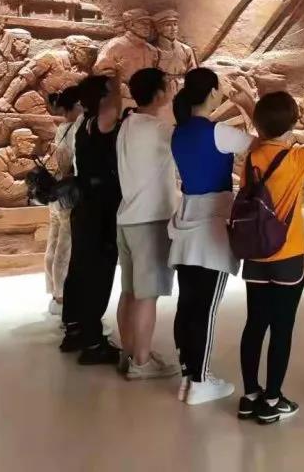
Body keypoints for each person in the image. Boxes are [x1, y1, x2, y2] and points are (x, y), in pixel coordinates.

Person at [237, 92, 304, 425]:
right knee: (281, 328)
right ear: (292, 124)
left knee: (255, 323)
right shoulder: (296, 157)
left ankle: (249, 395)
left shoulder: (252, 157)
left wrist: (252, 109)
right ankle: (272, 399)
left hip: (255, 253)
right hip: (288, 255)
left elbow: (262, 138)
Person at [169, 68, 253, 405]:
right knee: (206, 308)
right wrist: (248, 103)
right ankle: (201, 381)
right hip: (212, 227)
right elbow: (265, 146)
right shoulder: (218, 132)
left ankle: (189, 376)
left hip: (187, 220)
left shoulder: (179, 132)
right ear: (214, 92)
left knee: (188, 304)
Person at [115, 68, 181, 380]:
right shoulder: (159, 130)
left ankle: (130, 353)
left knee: (129, 291)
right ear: (158, 94)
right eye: (169, 85)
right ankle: (142, 363)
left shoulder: (128, 124)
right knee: (147, 295)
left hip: (128, 218)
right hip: (150, 220)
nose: (172, 88)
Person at [60, 75, 124, 365]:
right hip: (100, 208)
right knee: (97, 273)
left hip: (86, 205)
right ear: (103, 99)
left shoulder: (84, 123)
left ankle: (74, 329)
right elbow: (112, 109)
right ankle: (93, 342)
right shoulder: (102, 122)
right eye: (114, 92)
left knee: (80, 268)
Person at [44, 88, 83, 317]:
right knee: (65, 246)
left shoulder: (61, 128)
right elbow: (73, 164)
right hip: (69, 193)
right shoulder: (77, 128)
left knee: (54, 240)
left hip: (57, 190)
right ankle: (61, 295)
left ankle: (53, 291)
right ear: (76, 105)